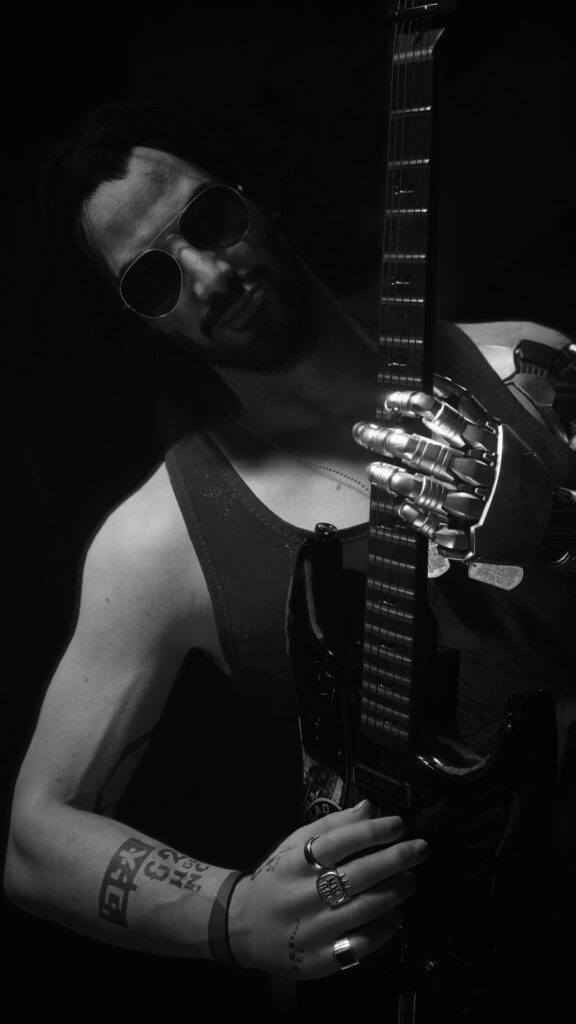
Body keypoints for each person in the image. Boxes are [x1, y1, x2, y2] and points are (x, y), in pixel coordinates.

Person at [3, 98, 576, 1020]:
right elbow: (34, 840)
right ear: (137, 322)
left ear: (255, 195)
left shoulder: (524, 366)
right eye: (153, 279)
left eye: (207, 219)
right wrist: (232, 915)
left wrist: (556, 524)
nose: (208, 276)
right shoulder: (159, 541)